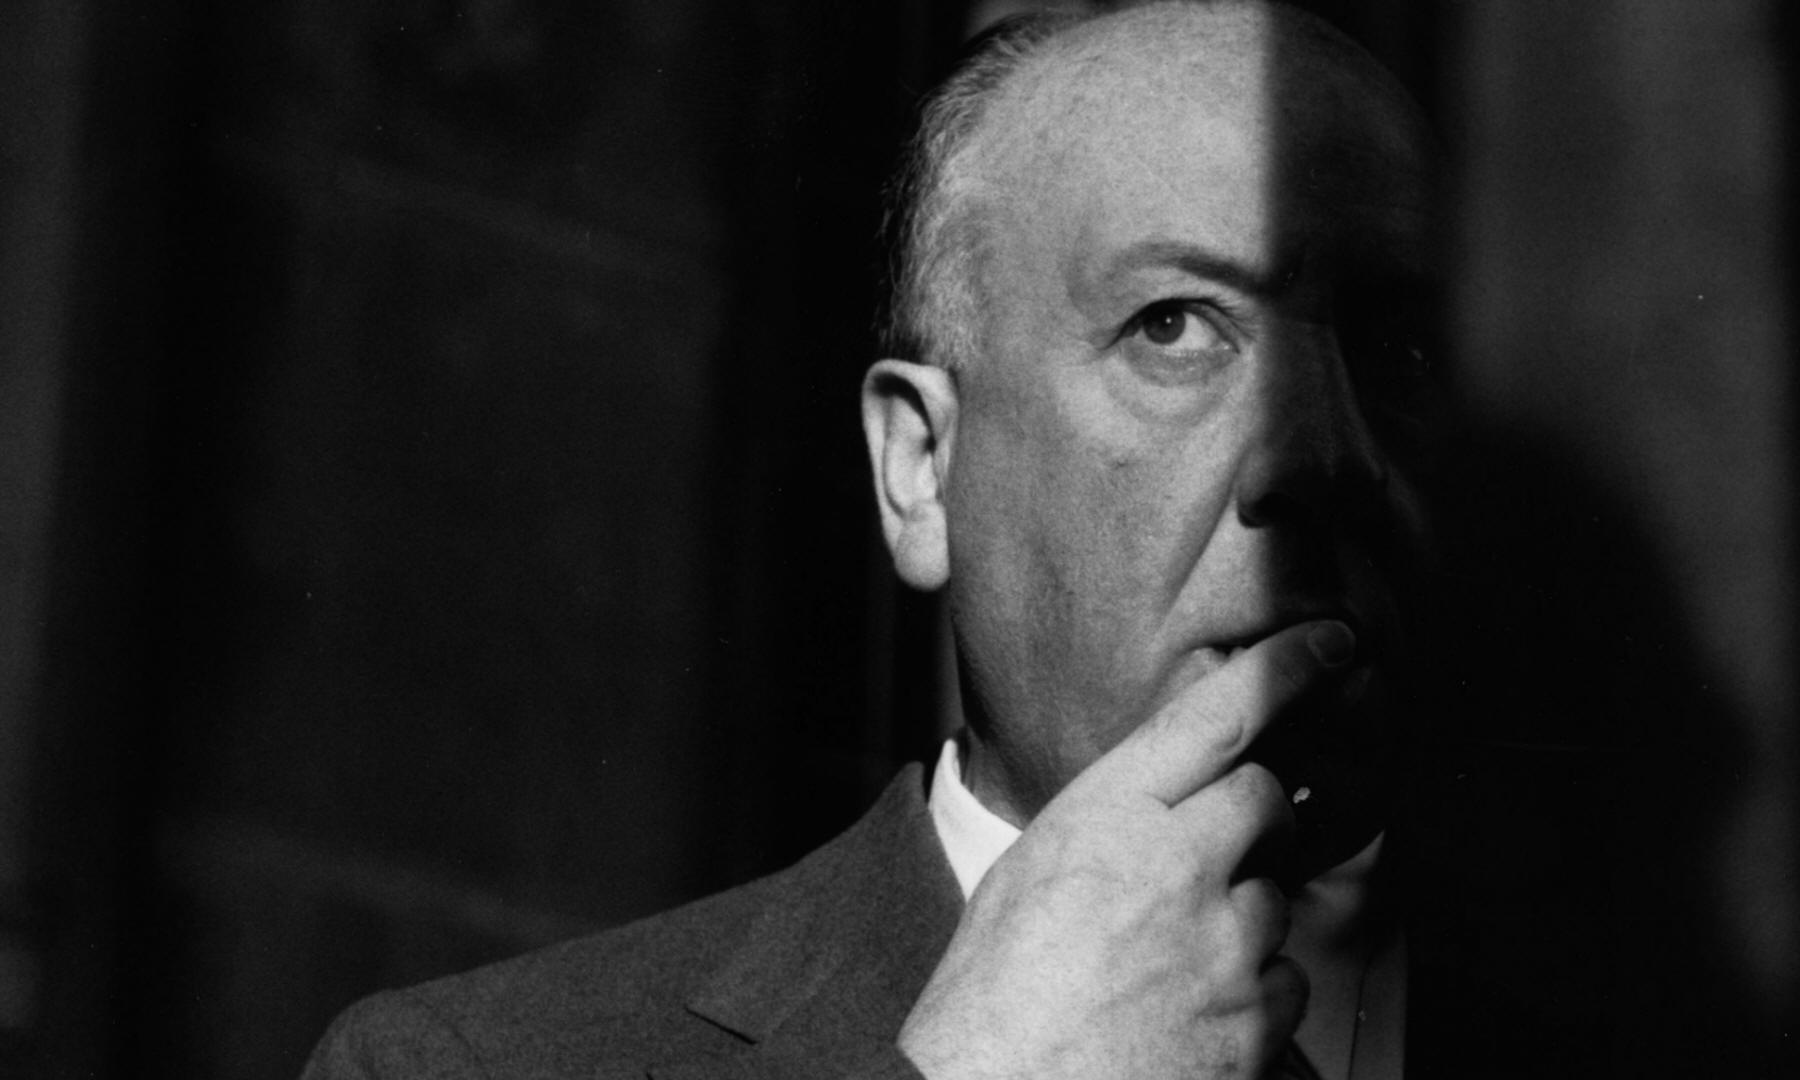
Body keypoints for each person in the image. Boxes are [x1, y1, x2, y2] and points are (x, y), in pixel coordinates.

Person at [303, 3, 1448, 1077]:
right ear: (920, 470)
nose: (1324, 455)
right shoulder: (464, 1065)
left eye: (1396, 349)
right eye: (1171, 325)